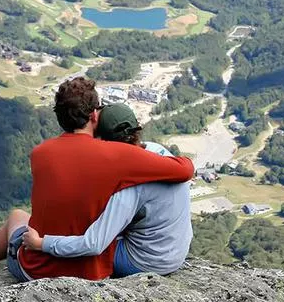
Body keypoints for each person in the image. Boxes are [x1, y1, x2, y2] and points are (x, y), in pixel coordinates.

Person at [0, 77, 194, 282]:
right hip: (93, 270)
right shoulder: (117, 156)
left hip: (39, 266)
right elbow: (184, 170)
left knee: (17, 216)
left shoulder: (39, 153)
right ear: (94, 115)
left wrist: (40, 243)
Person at [21, 103, 192, 276]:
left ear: (104, 141)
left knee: (87, 242)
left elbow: (93, 244)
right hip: (176, 252)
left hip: (145, 262)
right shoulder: (156, 151)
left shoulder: (129, 187)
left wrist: (41, 243)